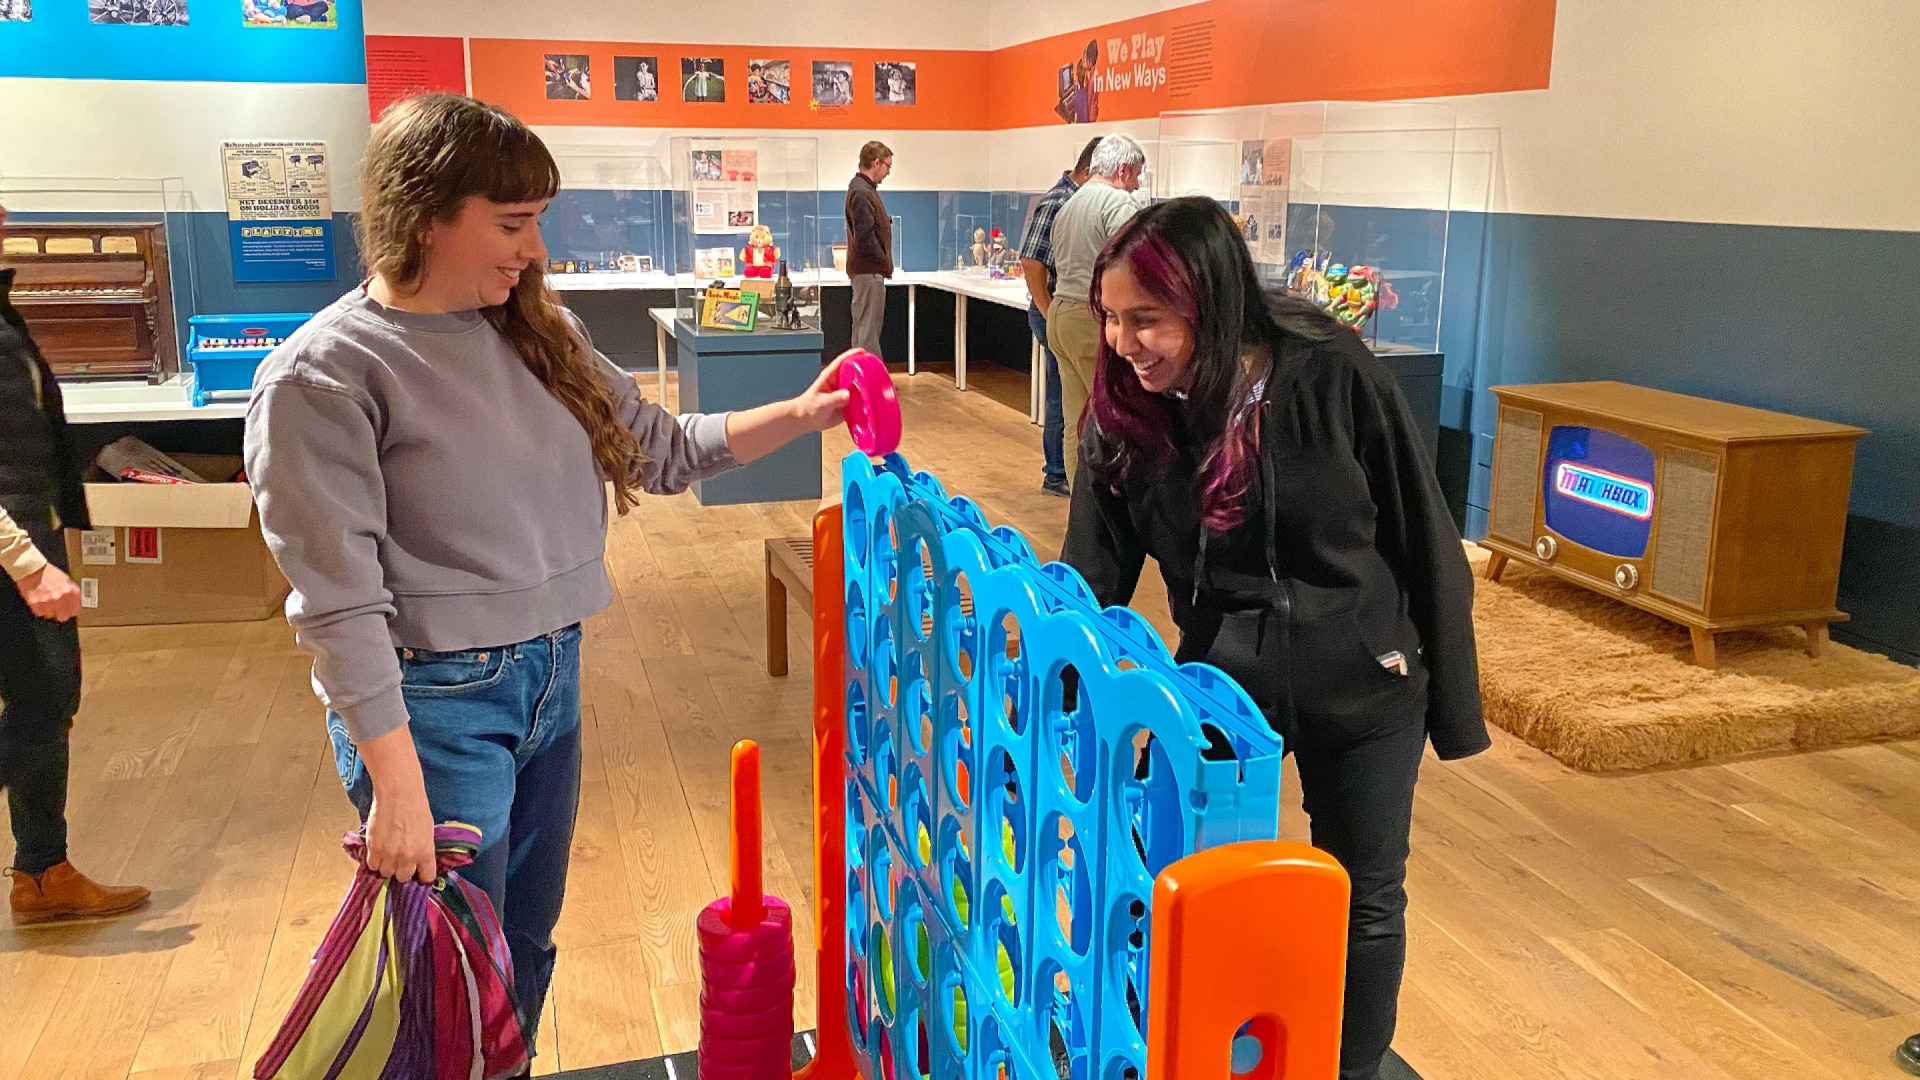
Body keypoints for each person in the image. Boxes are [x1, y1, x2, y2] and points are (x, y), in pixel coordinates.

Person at [242, 94, 849, 1060]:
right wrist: (396, 784)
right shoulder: (324, 376)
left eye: (535, 224)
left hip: (551, 681)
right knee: (445, 976)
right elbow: (337, 602)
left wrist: (806, 413)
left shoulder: (538, 333)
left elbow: (662, 448)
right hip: (432, 705)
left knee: (520, 947)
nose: (531, 249)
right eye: (511, 223)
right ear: (424, 215)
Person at [1059, 197, 1486, 1080]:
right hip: (1220, 685)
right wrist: (1060, 698)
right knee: (1167, 878)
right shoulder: (1120, 416)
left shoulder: (1328, 369)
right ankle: (1174, 1049)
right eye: (1109, 317)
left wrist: (1454, 706)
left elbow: (1423, 531)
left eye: (1148, 319)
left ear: (1210, 307)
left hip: (1365, 679)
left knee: (1364, 898)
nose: (1122, 342)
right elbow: (1092, 575)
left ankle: (1350, 1068)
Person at [0, 203, 152, 926]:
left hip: (29, 534)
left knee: (45, 703)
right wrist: (26, 562)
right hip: (12, 551)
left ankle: (42, 872)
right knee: (41, 705)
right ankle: (42, 868)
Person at [1045, 133, 1147, 488]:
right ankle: (1110, 510)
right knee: (1114, 418)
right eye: (1136, 175)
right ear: (1122, 170)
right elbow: (1136, 267)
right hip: (1093, 320)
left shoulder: (1069, 204)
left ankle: (1080, 507)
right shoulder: (1119, 205)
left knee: (1078, 420)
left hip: (1061, 315)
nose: (1136, 186)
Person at [1018, 136, 1101, 498]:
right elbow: (1031, 259)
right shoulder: (1059, 201)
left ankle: (1064, 470)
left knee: (1066, 393)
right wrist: (1049, 309)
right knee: (1062, 395)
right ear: (1089, 171)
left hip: (1062, 310)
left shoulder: (1072, 200)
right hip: (1056, 310)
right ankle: (1056, 471)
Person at [844, 141, 893, 357]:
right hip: (868, 271)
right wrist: (882, 261)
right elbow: (865, 238)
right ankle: (869, 386)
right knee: (867, 337)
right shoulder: (862, 192)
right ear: (876, 163)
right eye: (887, 167)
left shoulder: (862, 189)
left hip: (868, 271)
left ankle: (860, 383)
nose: (888, 173)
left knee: (864, 333)